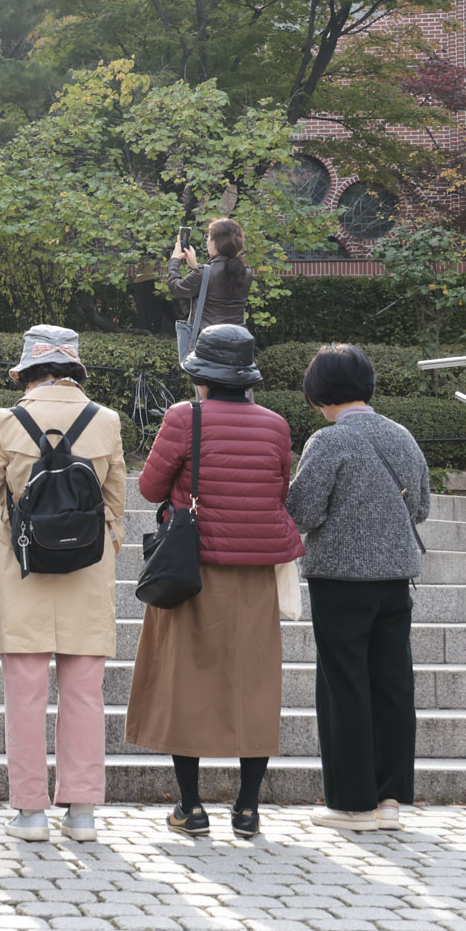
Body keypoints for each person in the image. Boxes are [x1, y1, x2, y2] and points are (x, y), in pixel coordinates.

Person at [124, 324, 304, 838]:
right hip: (255, 571)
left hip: (192, 568)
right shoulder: (275, 424)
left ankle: (191, 807)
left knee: (187, 681)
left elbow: (150, 486)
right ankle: (247, 810)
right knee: (255, 682)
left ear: (201, 375)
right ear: (247, 377)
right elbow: (279, 487)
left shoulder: (185, 417)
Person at [0, 326, 126, 843]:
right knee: (84, 693)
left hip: (23, 570)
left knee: (25, 694)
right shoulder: (106, 421)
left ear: (27, 372)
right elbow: (117, 505)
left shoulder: (7, 422)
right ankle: (82, 814)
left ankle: (30, 812)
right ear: (74, 371)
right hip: (87, 570)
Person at [285, 344, 430, 832]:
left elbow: (303, 511)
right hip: (395, 577)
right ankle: (390, 799)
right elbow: (422, 507)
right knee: (392, 684)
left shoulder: (329, 441)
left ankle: (351, 804)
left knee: (344, 685)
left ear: (319, 392)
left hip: (341, 580)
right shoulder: (403, 435)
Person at [169, 217, 252, 342]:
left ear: (215, 242)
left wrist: (174, 259)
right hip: (238, 341)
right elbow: (218, 284)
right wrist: (196, 267)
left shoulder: (203, 273)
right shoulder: (246, 272)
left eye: (208, 237)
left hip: (209, 343)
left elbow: (175, 288)